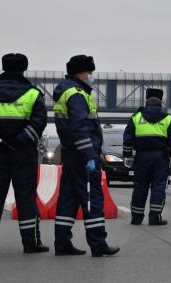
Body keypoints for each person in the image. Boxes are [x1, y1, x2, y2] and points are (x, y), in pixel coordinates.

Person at [0, 53, 49, 254]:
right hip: (24, 154)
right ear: (24, 68)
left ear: (3, 67)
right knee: (26, 197)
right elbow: (39, 122)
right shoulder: (33, 93)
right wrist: (19, 140)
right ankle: (31, 243)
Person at [53, 55, 120, 257]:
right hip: (82, 156)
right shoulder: (76, 94)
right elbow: (80, 128)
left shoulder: (66, 91)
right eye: (89, 72)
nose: (91, 75)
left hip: (71, 155)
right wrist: (90, 156)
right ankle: (98, 244)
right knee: (92, 200)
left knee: (68, 199)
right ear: (79, 72)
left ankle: (63, 243)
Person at [122, 88, 171, 225]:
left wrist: (128, 156)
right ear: (161, 101)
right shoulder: (167, 119)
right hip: (161, 158)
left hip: (142, 157)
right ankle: (154, 218)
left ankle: (136, 218)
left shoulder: (136, 117)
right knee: (158, 187)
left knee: (140, 187)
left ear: (146, 100)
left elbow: (128, 139)